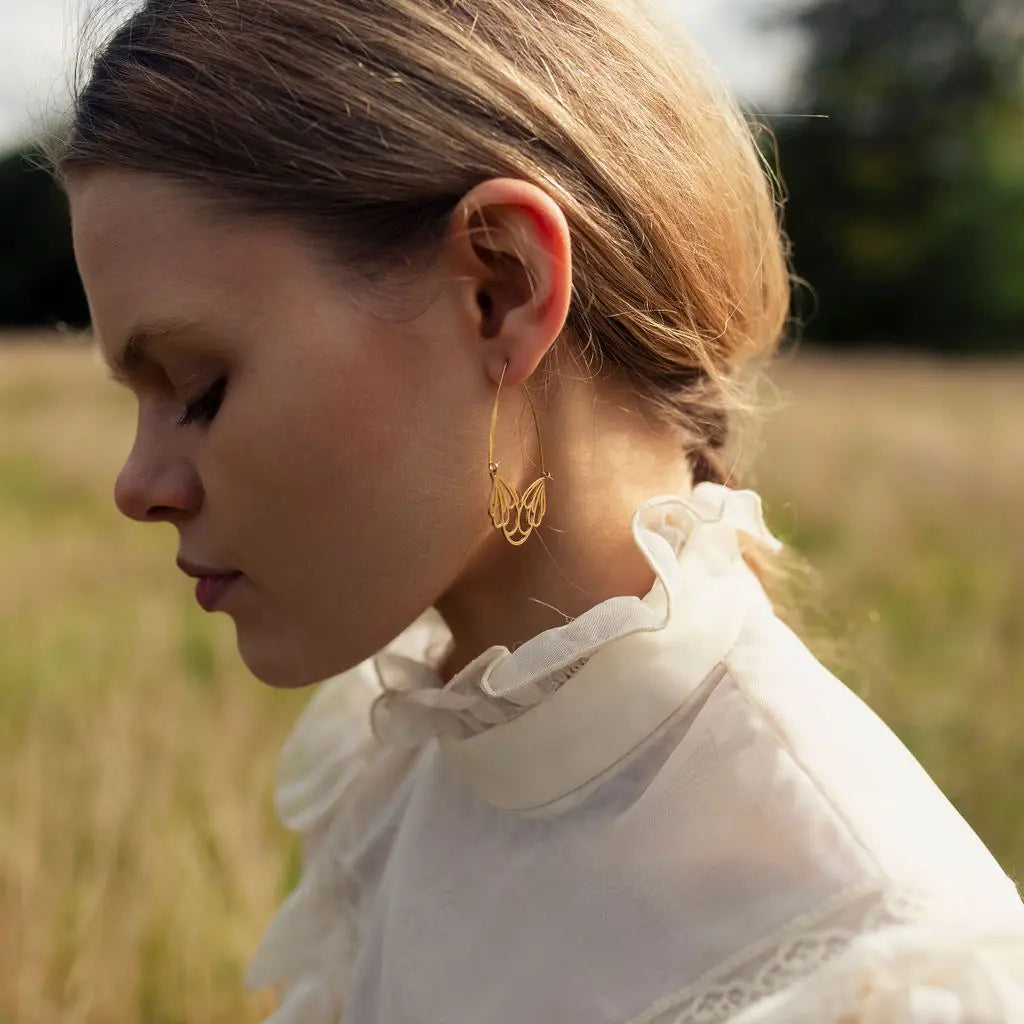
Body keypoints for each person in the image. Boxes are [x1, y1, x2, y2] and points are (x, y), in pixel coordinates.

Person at [53, 0, 1024, 1021]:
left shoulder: (872, 969)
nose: (139, 485)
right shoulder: (398, 774)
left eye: (200, 387)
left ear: (503, 290)